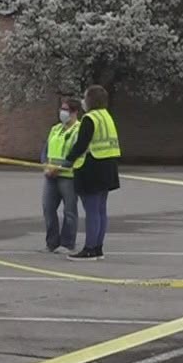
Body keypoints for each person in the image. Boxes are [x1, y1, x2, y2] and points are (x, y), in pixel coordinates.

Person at [62, 84, 121, 260]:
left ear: (90, 100)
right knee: (101, 210)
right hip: (108, 167)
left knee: (92, 210)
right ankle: (97, 248)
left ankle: (89, 248)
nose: (82, 101)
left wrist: (69, 160)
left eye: (85, 97)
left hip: (92, 167)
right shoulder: (106, 116)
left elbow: (81, 144)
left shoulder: (90, 118)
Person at [40, 95, 81, 254]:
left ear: (74, 112)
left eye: (66, 110)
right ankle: (51, 243)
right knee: (48, 208)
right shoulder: (55, 129)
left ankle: (67, 243)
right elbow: (45, 150)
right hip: (50, 175)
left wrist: (59, 167)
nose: (62, 113)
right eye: (61, 109)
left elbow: (75, 153)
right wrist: (46, 165)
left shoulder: (78, 130)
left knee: (69, 211)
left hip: (68, 176)